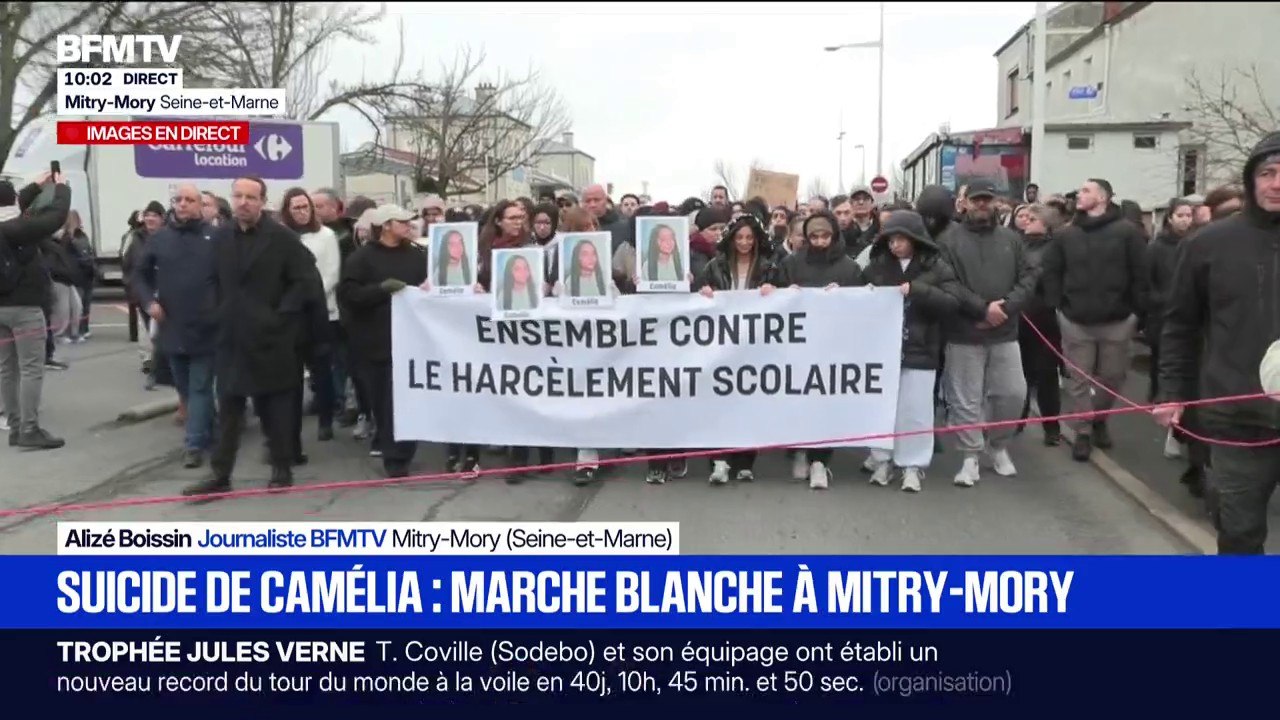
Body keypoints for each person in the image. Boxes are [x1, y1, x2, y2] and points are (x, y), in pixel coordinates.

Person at [1156, 131, 1280, 555]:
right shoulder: (1209, 243)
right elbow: (1179, 326)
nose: (1277, 183)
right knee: (1240, 533)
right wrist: (1172, 392)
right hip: (1235, 414)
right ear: (1251, 180)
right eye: (1268, 173)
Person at [183, 176, 314, 497]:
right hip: (231, 338)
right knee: (229, 409)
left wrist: (280, 316)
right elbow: (210, 279)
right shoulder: (221, 237)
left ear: (262, 201)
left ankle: (281, 469)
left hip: (271, 339)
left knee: (275, 410)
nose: (243, 202)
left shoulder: (281, 239)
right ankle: (220, 475)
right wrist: (215, 312)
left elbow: (303, 282)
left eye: (251, 197)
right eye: (238, 195)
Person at [937, 180, 1037, 487]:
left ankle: (998, 445)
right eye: (976, 199)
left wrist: (1004, 308)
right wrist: (981, 309)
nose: (982, 204)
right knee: (965, 398)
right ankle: (970, 457)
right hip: (964, 332)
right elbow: (946, 281)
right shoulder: (947, 240)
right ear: (964, 202)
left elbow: (1030, 277)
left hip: (1005, 332)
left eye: (987, 200)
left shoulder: (1012, 239)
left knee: (1012, 393)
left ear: (995, 203)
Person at [1041, 178, 1148, 462]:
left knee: (1112, 378)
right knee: (1078, 379)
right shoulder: (1066, 235)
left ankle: (1099, 417)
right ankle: (1084, 431)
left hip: (1118, 320)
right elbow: (1051, 271)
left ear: (1103, 197)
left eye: (1086, 190)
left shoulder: (1127, 233)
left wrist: (1137, 312)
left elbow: (1141, 274)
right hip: (1075, 319)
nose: (1079, 194)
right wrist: (1057, 307)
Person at [857, 210, 964, 492]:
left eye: (901, 239)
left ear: (915, 238)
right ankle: (881, 459)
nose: (894, 245)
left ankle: (913, 465)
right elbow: (854, 297)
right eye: (890, 240)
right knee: (880, 408)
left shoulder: (937, 268)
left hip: (921, 348)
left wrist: (917, 290)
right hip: (882, 351)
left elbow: (953, 302)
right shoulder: (876, 267)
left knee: (915, 410)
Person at [337, 204, 429, 479]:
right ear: (386, 225)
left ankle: (402, 454)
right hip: (375, 340)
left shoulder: (416, 255)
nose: (408, 226)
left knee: (405, 400)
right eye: (402, 222)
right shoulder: (363, 258)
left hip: (411, 339)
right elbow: (349, 294)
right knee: (383, 402)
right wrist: (380, 290)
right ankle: (391, 452)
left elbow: (428, 284)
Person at [131, 183, 218, 469]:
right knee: (184, 387)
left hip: (206, 328)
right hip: (172, 326)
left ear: (200, 205)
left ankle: (194, 444)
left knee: (200, 386)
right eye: (178, 199)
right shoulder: (160, 239)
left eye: (189, 200)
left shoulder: (215, 237)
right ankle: (209, 428)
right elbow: (139, 276)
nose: (182, 204)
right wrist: (148, 303)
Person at [774, 210, 863, 489]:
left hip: (833, 347)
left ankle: (820, 461)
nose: (820, 241)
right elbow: (775, 297)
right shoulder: (791, 263)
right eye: (814, 236)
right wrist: (787, 293)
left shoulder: (849, 267)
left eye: (825, 235)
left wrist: (846, 295)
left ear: (834, 235)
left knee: (825, 403)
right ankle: (799, 450)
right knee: (799, 400)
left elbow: (862, 302)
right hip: (798, 345)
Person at [691, 213, 778, 485]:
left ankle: (744, 462)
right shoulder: (714, 266)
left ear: (757, 240)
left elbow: (784, 299)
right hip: (720, 345)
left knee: (747, 404)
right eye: (739, 237)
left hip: (753, 347)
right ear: (730, 239)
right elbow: (699, 295)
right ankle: (718, 460)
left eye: (749, 238)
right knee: (717, 404)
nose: (744, 242)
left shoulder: (767, 267)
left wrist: (773, 290)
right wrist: (703, 292)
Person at [0, 170, 71, 450]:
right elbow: (55, 217)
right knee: (31, 369)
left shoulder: (10, 224)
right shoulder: (17, 228)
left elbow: (16, 204)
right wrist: (62, 189)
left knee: (6, 369)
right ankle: (29, 428)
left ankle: (15, 426)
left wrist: (37, 185)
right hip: (24, 306)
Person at [1014, 204, 1065, 447]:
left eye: (1032, 218)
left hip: (1045, 320)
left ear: (1046, 224)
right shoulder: (1017, 246)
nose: (1026, 221)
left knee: (1046, 375)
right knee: (1020, 373)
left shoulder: (1055, 249)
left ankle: (1051, 426)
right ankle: (1017, 419)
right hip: (1019, 318)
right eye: (1024, 217)